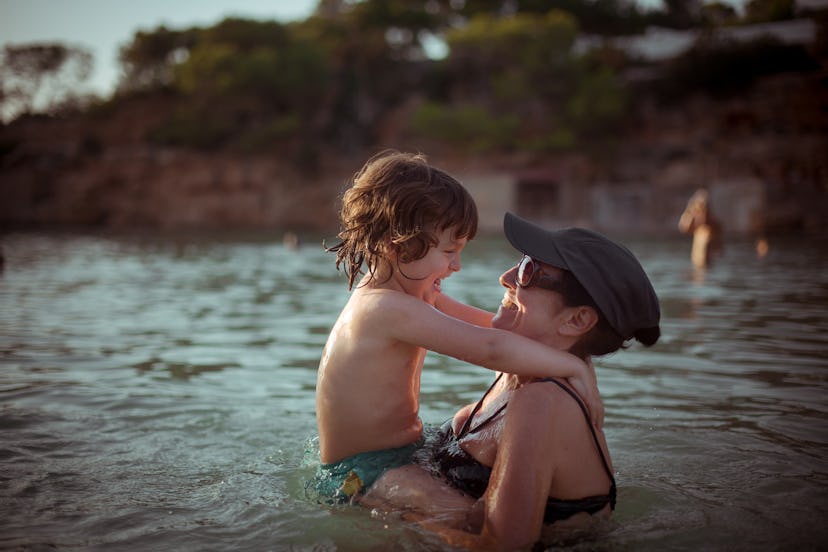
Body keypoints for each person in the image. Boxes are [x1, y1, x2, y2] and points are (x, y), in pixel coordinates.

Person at [313, 152, 602, 504]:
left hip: (406, 450)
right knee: (463, 519)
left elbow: (491, 330)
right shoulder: (384, 308)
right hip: (363, 470)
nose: (457, 266)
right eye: (450, 251)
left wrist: (563, 349)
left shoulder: (412, 293)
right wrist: (571, 366)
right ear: (396, 246)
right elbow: (490, 349)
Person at [361, 212, 661, 550]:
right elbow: (419, 306)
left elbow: (502, 546)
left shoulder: (542, 402)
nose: (505, 278)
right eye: (518, 263)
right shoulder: (521, 365)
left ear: (576, 320)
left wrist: (397, 510)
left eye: (528, 272)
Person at [678, 188, 723, 268]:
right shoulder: (697, 226)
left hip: (709, 264)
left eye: (704, 208)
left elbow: (719, 249)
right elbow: (683, 228)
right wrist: (690, 210)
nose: (701, 212)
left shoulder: (713, 225)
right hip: (697, 263)